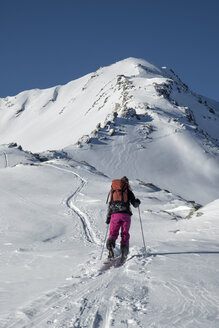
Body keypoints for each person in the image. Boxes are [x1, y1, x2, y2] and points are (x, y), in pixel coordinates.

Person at [106, 176, 141, 259]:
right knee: (125, 234)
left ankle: (110, 245)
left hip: (114, 215)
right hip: (126, 215)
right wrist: (137, 201)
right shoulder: (128, 191)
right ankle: (124, 252)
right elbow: (135, 205)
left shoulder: (113, 191)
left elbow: (110, 205)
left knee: (113, 233)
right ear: (127, 183)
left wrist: (108, 218)